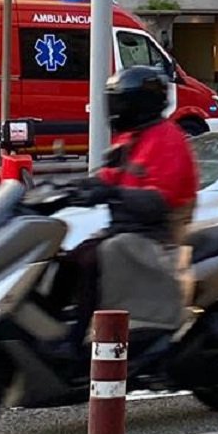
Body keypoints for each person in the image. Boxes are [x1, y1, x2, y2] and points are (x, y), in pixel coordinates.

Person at [61, 65, 199, 354]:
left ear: (139, 104)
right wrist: (70, 189)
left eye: (121, 102)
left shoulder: (168, 140)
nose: (116, 110)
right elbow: (109, 175)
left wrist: (112, 192)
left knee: (93, 259)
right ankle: (64, 328)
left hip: (156, 233)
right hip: (127, 227)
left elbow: (158, 202)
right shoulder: (131, 137)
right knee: (68, 257)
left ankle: (80, 340)